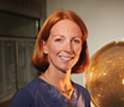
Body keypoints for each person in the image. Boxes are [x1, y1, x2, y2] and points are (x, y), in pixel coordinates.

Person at [9, 10, 91, 107]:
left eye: (75, 41)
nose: (68, 49)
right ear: (44, 46)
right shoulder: (26, 97)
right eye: (59, 40)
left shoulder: (84, 95)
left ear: (82, 47)